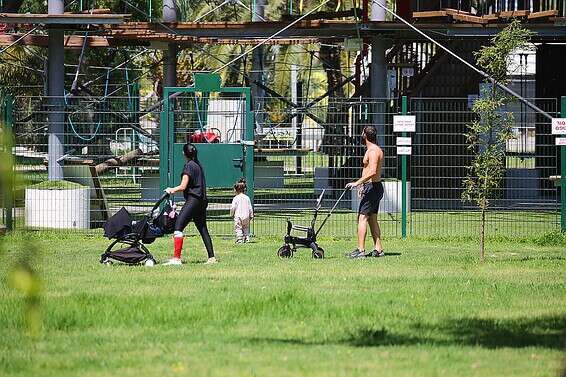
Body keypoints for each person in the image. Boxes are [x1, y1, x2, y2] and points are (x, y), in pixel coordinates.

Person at [162, 143, 217, 265]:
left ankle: (176, 259)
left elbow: (183, 186)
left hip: (193, 200)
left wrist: (171, 190)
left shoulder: (188, 166)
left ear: (184, 153)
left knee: (178, 227)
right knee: (202, 228)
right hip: (202, 201)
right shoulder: (198, 165)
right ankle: (211, 257)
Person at [345, 125, 385, 259]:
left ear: (364, 135)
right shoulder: (372, 149)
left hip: (373, 187)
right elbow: (369, 170)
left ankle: (361, 250)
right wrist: (362, 185)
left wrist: (357, 183)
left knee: (362, 218)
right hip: (372, 186)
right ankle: (378, 249)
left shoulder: (373, 151)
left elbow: (373, 171)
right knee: (372, 219)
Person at [230, 178, 253, 243]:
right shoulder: (247, 197)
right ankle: (247, 238)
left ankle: (239, 239)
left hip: (238, 216)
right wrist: (251, 215)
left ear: (236, 190)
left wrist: (231, 214)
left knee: (238, 227)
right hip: (246, 216)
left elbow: (233, 207)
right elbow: (250, 207)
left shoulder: (235, 198)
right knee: (246, 227)